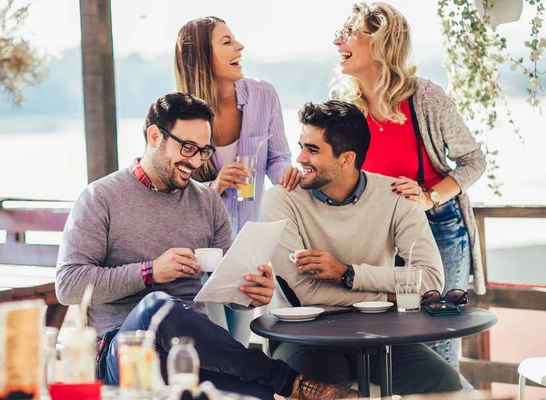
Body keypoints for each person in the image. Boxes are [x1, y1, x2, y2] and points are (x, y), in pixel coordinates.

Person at [55, 92, 358, 400]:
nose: (195, 161)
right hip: (121, 353)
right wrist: (149, 272)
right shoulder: (100, 198)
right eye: (187, 148)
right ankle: (291, 382)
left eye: (203, 151)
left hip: (190, 355)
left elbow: (227, 286)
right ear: (154, 135)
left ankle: (276, 383)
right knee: (158, 306)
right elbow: (67, 286)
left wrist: (251, 293)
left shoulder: (207, 202)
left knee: (256, 394)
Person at [261, 100, 463, 395]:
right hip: (305, 338)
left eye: (313, 149)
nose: (300, 158)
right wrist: (391, 295)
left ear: (346, 159)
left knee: (444, 380)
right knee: (326, 384)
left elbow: (430, 280)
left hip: (380, 335)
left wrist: (348, 274)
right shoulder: (281, 199)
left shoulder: (396, 196)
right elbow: (306, 292)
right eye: (301, 145)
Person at [330, 1, 487, 375]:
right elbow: (334, 172)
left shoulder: (425, 97)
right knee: (385, 330)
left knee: (437, 332)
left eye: (349, 32)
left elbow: (474, 161)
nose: (338, 41)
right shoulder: (344, 107)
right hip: (378, 234)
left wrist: (430, 196)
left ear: (381, 42)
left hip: (438, 229)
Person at [174, 16, 301, 346]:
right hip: (201, 252)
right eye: (227, 41)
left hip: (246, 247)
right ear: (201, 55)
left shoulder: (263, 95)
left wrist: (285, 174)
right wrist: (214, 186)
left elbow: (278, 157)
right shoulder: (179, 112)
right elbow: (169, 185)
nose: (239, 46)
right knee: (216, 346)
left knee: (240, 345)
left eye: (236, 39)